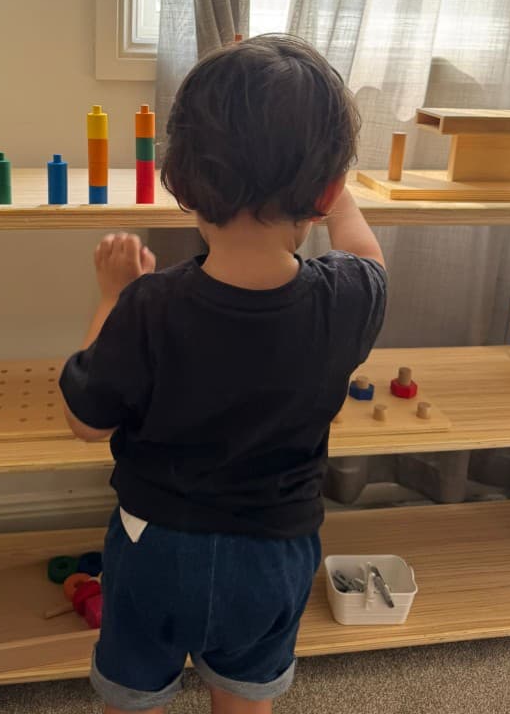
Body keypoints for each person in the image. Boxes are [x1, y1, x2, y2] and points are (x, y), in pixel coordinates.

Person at [60, 35, 387, 714]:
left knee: (135, 692)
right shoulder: (347, 301)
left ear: (176, 179)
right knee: (244, 695)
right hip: (275, 554)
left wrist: (111, 296)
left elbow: (85, 423)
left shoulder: (148, 308)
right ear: (324, 194)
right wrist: (335, 192)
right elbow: (366, 254)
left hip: (157, 550)